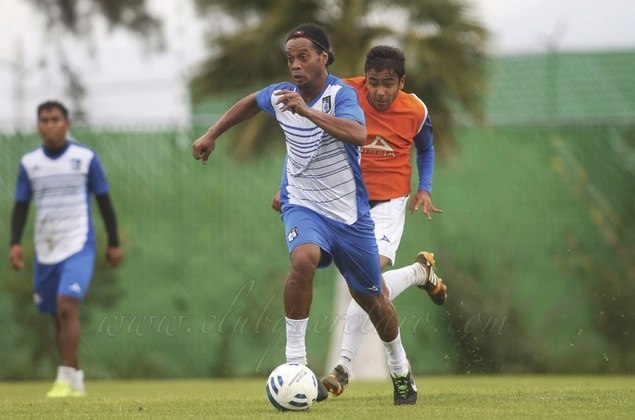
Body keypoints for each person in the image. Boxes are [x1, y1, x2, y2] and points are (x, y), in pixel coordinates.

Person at [193, 24, 417, 405]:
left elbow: (358, 134)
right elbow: (250, 102)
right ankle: (296, 362)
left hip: (349, 215)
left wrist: (308, 113)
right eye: (290, 59)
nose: (295, 65)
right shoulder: (282, 94)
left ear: (323, 58)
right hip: (303, 204)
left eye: (303, 57)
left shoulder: (341, 95)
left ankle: (401, 371)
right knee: (304, 258)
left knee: (373, 297)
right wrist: (212, 133)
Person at [272, 45, 448, 397]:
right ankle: (418, 273)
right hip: (341, 204)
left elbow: (426, 147)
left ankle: (345, 367)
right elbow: (304, 144)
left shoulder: (415, 109)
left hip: (387, 204)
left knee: (366, 283)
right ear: (364, 78)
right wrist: (285, 187)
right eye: (374, 83)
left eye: (388, 84)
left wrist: (424, 189)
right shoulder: (343, 94)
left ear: (402, 82)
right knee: (368, 287)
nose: (380, 92)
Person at [8, 100, 123, 397]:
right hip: (46, 247)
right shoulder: (30, 163)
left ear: (67, 123)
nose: (50, 125)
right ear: (38, 125)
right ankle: (75, 375)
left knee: (66, 304)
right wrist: (15, 244)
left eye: (55, 119)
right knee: (55, 315)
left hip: (78, 244)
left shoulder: (84, 158)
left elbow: (104, 202)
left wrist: (113, 243)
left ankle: (64, 377)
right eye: (44, 120)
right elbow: (21, 206)